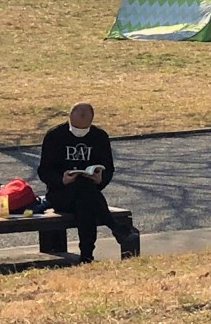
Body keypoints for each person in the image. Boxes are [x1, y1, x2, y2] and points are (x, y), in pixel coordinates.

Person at [37, 102, 139, 264]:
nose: (80, 132)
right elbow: (44, 171)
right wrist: (61, 179)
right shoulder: (55, 136)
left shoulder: (99, 137)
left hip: (88, 193)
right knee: (84, 190)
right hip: (60, 193)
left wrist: (100, 179)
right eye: (76, 128)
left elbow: (108, 169)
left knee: (85, 203)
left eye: (84, 129)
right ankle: (115, 228)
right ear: (69, 119)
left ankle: (86, 256)